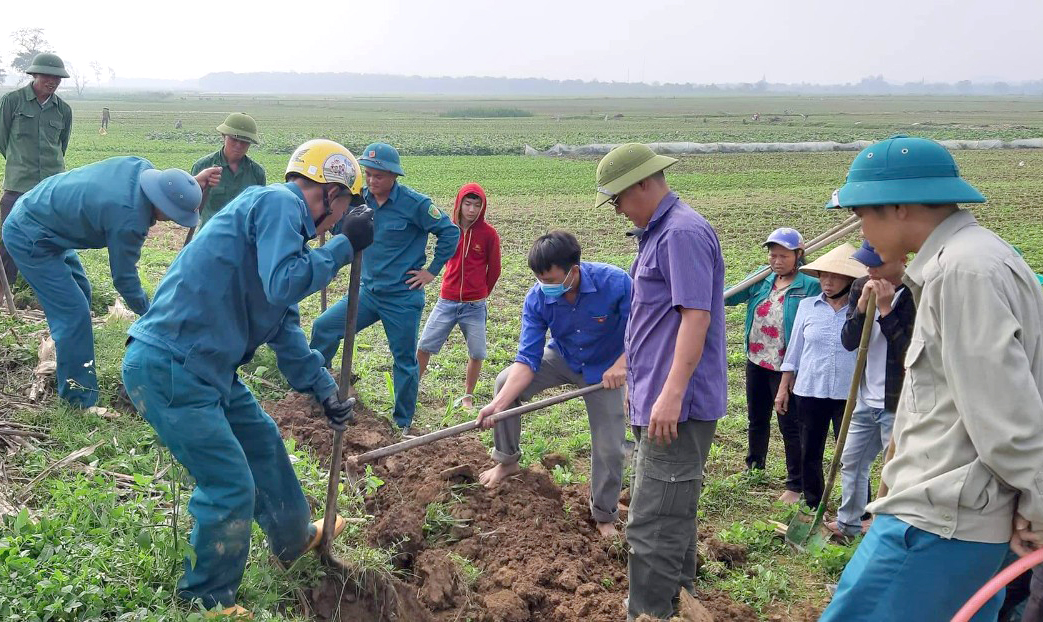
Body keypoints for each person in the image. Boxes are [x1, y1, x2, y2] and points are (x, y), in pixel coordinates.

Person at [121, 139, 374, 617]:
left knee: (262, 440)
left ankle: (294, 539)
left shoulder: (280, 240)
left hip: (207, 368)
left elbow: (286, 331)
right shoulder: (279, 202)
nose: (341, 219)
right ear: (330, 193)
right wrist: (344, 246)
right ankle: (206, 601)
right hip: (170, 366)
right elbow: (286, 283)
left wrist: (326, 392)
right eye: (345, 207)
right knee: (230, 485)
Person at [819, 136, 1043, 621]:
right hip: (965, 517)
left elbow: (1005, 411)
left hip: (936, 522)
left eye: (863, 213)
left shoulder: (960, 272)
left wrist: (1039, 503)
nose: (861, 229)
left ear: (899, 206)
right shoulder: (987, 256)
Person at [596, 143, 726, 620]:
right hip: (655, 397)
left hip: (677, 407)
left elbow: (695, 319)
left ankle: (648, 613)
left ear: (644, 184)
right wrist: (635, 368)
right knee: (673, 509)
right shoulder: (656, 233)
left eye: (618, 199)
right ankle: (678, 600)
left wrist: (670, 395)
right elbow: (655, 320)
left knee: (652, 520)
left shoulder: (680, 234)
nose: (616, 210)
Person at [1, 157, 217, 408]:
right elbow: (124, 279)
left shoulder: (141, 168)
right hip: (30, 234)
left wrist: (189, 187)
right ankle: (78, 399)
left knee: (81, 292)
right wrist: (152, 314)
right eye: (173, 215)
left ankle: (70, 361)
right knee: (73, 314)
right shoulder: (129, 218)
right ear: (161, 206)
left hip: (44, 213)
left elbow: (169, 185)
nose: (171, 221)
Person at [476, 231, 629, 538]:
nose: (545, 286)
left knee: (610, 446)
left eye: (551, 279)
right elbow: (527, 359)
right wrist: (499, 403)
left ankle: (604, 514)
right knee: (505, 382)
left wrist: (622, 365)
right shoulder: (537, 297)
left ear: (574, 270)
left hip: (606, 369)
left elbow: (644, 330)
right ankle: (506, 462)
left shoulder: (616, 283)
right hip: (564, 357)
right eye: (540, 279)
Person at [310, 142, 459, 431]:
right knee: (324, 327)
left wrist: (431, 271)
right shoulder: (358, 200)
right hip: (366, 291)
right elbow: (339, 226)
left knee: (404, 360)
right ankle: (318, 387)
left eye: (378, 175)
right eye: (368, 174)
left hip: (402, 297)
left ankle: (402, 423)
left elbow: (449, 232)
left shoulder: (415, 204)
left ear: (393, 175)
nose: (372, 180)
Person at [725, 227, 820, 504]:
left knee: (790, 424)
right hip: (757, 359)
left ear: (798, 255)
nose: (776, 261)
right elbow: (731, 296)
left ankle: (795, 484)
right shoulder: (762, 278)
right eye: (772, 255)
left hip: (786, 365)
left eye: (783, 256)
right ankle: (754, 467)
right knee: (757, 419)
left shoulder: (809, 284)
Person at [826, 240, 914, 539]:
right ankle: (848, 523)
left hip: (898, 401)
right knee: (851, 460)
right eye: (867, 265)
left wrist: (887, 310)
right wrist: (861, 308)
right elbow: (849, 341)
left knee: (897, 471)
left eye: (877, 265)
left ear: (901, 259)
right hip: (865, 397)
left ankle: (889, 528)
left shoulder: (917, 293)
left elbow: (909, 353)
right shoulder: (861, 286)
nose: (870, 270)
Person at [775, 243, 865, 510]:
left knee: (852, 454)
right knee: (810, 452)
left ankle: (857, 510)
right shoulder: (807, 307)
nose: (827, 281)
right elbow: (794, 351)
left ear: (850, 280)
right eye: (824, 275)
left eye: (835, 276)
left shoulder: (861, 311)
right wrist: (783, 388)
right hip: (809, 390)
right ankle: (814, 504)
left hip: (847, 393)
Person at [417, 182, 501, 408]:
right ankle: (412, 386)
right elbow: (439, 256)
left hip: (474, 305)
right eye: (468, 203)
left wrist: (482, 293)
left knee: (477, 352)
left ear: (482, 207)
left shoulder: (488, 234)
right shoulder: (449, 229)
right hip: (447, 300)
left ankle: (468, 396)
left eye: (477, 205)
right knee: (424, 345)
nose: (472, 210)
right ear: (459, 204)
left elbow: (495, 269)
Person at [0, 52, 74, 290]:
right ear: (34, 74)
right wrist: (19, 161)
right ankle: (5, 286)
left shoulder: (63, 109)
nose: (52, 81)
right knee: (8, 235)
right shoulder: (12, 101)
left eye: (57, 78)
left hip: (50, 186)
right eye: (47, 76)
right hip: (18, 183)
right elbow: (2, 140)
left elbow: (61, 145)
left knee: (49, 237)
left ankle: (41, 286)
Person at [190, 113, 267, 229]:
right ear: (223, 136)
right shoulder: (203, 166)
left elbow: (259, 211)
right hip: (209, 236)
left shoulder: (257, 173)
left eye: (245, 141)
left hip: (242, 239)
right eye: (234, 139)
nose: (238, 145)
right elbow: (191, 206)